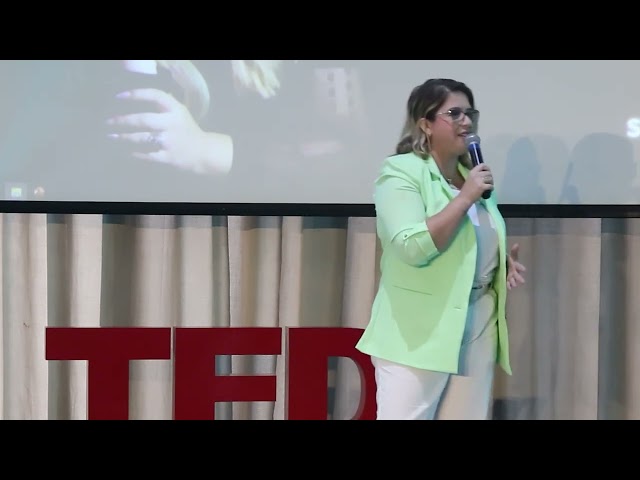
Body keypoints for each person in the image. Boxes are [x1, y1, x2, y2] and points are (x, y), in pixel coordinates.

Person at [355, 78, 527, 420]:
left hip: (477, 325)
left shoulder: (471, 176)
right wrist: (465, 198)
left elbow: (468, 239)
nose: (466, 122)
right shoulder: (401, 172)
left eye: (470, 113)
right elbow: (411, 248)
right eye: (454, 113)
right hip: (418, 331)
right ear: (426, 124)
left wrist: (495, 261)